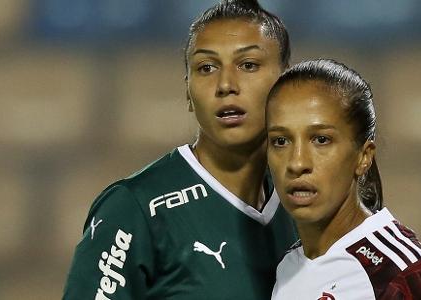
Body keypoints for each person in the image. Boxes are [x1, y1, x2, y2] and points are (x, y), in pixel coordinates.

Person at [62, 0, 297, 299]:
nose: (226, 84)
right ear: (187, 91)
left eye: (248, 65)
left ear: (288, 84)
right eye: (206, 67)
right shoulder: (136, 209)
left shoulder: (304, 205)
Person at [266, 59, 421, 299]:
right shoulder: (287, 267)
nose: (297, 163)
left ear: (363, 157)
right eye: (281, 141)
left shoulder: (405, 278)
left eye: (321, 140)